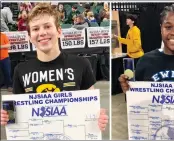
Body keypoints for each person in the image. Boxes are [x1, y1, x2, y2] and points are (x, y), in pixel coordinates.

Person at [0, 3, 108, 131]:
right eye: (35, 29)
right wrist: (7, 117)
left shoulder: (81, 64)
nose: (42, 33)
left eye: (47, 26)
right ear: (29, 37)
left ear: (59, 31)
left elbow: (91, 108)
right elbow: (16, 113)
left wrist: (97, 118)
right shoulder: (20, 70)